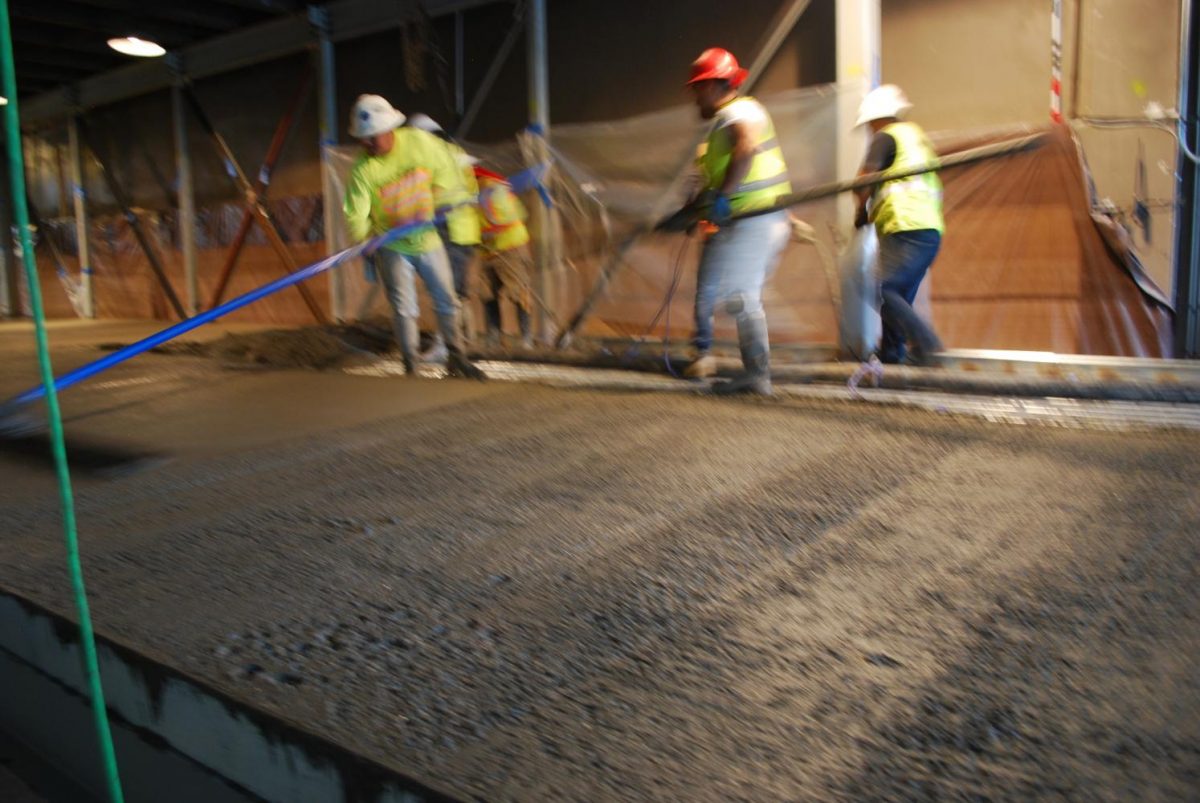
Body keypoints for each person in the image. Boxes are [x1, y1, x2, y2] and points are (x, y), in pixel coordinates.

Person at [342, 95, 485, 379]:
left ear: (389, 130)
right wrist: (365, 239)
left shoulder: (419, 143)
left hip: (427, 238)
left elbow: (446, 172)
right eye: (363, 139)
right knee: (404, 307)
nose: (367, 144)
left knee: (446, 298)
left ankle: (456, 357)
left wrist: (434, 199)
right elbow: (355, 213)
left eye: (372, 138)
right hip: (392, 244)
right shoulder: (363, 170)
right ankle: (411, 364)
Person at [678, 47, 792, 394]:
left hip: (753, 218)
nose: (695, 96)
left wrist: (725, 195)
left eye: (698, 88)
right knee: (738, 294)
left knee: (740, 295)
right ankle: (755, 374)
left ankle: (758, 376)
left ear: (714, 85)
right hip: (753, 219)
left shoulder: (738, 111)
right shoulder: (721, 125)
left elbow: (746, 148)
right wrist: (698, 207)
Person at [853, 84, 944, 366]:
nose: (869, 129)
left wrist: (860, 208)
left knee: (885, 289)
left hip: (903, 225)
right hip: (928, 229)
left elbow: (865, 179)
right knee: (897, 295)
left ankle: (927, 343)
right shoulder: (917, 137)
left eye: (869, 123)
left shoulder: (885, 136)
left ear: (877, 117)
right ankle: (892, 354)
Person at [405, 113, 482, 361]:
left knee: (445, 289)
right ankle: (463, 340)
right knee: (456, 290)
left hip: (449, 227)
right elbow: (471, 192)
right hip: (465, 229)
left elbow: (426, 194)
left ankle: (445, 346)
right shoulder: (457, 153)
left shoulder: (430, 155)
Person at [474, 166, 536, 350]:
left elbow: (501, 221)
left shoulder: (492, 191)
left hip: (509, 248)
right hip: (487, 252)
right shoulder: (470, 194)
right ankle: (494, 337)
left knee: (518, 292)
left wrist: (482, 235)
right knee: (487, 293)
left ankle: (526, 339)